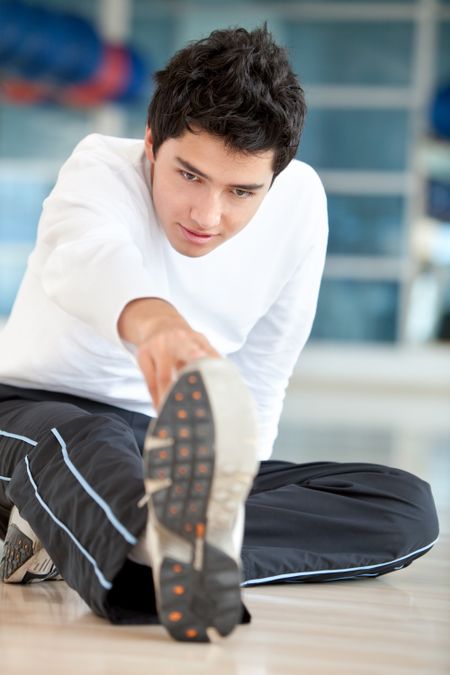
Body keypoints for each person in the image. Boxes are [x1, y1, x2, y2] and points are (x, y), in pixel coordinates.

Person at [0, 25, 439, 642]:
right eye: (189, 175)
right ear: (153, 144)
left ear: (276, 179)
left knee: (403, 504)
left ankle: (161, 544)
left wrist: (228, 492)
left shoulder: (301, 206)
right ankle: (139, 555)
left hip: (165, 448)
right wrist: (155, 326)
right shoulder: (99, 164)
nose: (208, 215)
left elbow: (264, 371)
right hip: (31, 414)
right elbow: (88, 256)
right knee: (87, 441)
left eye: (241, 191)